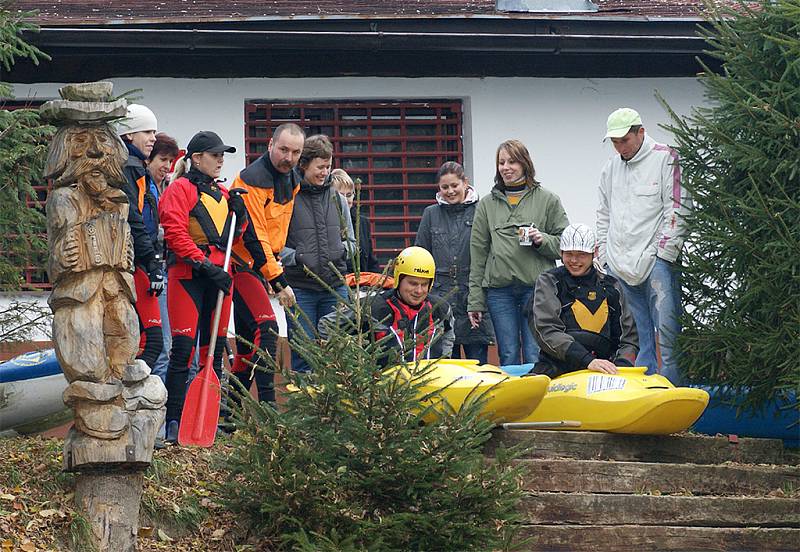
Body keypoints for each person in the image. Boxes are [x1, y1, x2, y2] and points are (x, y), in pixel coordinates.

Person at [158, 130, 244, 443]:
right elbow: (176, 235)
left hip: (221, 278)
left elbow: (234, 236)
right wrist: (205, 266)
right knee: (182, 351)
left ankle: (207, 418)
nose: (221, 160)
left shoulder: (223, 194)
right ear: (197, 158)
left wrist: (241, 214)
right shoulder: (179, 189)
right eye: (215, 155)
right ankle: (174, 421)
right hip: (190, 277)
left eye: (223, 155)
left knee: (214, 351)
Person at [596, 108, 691, 384]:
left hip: (656, 261)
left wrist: (664, 254)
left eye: (624, 140)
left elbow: (678, 208)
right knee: (634, 337)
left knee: (669, 334)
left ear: (641, 132)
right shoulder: (610, 169)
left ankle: (673, 395)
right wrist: (604, 256)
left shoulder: (666, 158)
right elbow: (603, 214)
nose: (619, 147)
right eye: (614, 142)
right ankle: (644, 394)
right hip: (619, 265)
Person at [467, 140, 569, 366]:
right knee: (508, 355)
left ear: (525, 164)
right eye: (501, 162)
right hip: (499, 293)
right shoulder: (486, 205)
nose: (506, 167)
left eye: (512, 161)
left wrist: (542, 240)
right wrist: (475, 301)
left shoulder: (548, 200)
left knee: (535, 354)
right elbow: (478, 255)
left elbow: (565, 244)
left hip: (536, 290)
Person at [227, 123, 305, 401]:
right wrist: (278, 280)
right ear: (270, 145)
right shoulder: (251, 179)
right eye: (283, 149)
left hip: (264, 266)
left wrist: (275, 267)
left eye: (296, 152)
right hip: (243, 265)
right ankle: (269, 405)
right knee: (267, 329)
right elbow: (254, 235)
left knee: (248, 346)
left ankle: (229, 414)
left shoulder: (293, 180)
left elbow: (279, 233)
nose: (289, 157)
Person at [282, 135, 355, 373]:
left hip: (335, 287)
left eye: (328, 166)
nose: (325, 172)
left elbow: (352, 242)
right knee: (304, 355)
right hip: (300, 289)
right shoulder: (288, 199)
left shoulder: (337, 199)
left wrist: (340, 251)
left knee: (339, 354)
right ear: (304, 164)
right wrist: (298, 256)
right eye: (320, 167)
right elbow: (275, 246)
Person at [528, 224, 638, 378]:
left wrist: (621, 368)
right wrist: (587, 361)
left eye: (581, 254)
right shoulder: (549, 281)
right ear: (561, 253)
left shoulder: (611, 286)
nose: (574, 260)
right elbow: (546, 330)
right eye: (569, 254)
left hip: (604, 369)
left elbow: (627, 339)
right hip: (557, 367)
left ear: (595, 252)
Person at [319, 246, 454, 367]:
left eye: (424, 284)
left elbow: (449, 332)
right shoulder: (373, 307)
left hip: (430, 384)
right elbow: (327, 324)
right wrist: (349, 359)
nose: (419, 291)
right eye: (413, 283)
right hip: (382, 387)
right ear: (398, 280)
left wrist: (444, 359)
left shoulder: (440, 309)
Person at [415, 161, 494, 364]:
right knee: (445, 364)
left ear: (465, 183)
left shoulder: (481, 210)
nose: (450, 191)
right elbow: (420, 254)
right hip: (440, 297)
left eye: (454, 185)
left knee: (479, 366)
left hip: (473, 297)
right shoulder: (430, 214)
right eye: (444, 187)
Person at [116, 104, 164, 372]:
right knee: (152, 342)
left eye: (154, 131)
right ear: (129, 135)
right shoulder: (131, 168)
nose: (153, 138)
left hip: (138, 262)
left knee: (146, 341)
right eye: (147, 131)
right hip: (137, 264)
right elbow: (135, 219)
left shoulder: (136, 166)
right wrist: (153, 261)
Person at [145, 132, 180, 385]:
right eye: (163, 159)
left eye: (171, 161)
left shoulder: (161, 188)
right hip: (151, 273)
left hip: (167, 269)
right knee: (162, 346)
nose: (167, 166)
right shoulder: (144, 187)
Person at [330, 168, 380, 273]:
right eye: (340, 195)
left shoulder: (363, 222)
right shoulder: (325, 223)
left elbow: (371, 260)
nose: (346, 200)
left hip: (363, 284)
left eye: (349, 195)